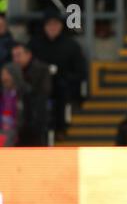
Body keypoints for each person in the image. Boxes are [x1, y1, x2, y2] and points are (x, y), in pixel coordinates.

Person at [28, 10, 87, 141]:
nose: (52, 28)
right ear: (44, 26)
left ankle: (61, 128)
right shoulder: (34, 44)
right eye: (49, 24)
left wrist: (64, 77)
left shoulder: (71, 45)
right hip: (39, 87)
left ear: (61, 26)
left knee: (63, 96)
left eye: (56, 24)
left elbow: (80, 70)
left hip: (63, 86)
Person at [12, 43, 51, 146]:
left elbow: (44, 91)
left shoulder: (41, 69)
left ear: (28, 54)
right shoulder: (12, 71)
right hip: (17, 121)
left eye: (19, 55)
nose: (16, 59)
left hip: (36, 119)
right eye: (14, 56)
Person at [0, 63, 26, 146]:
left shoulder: (24, 94)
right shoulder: (2, 92)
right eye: (2, 74)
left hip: (18, 132)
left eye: (6, 74)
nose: (3, 77)